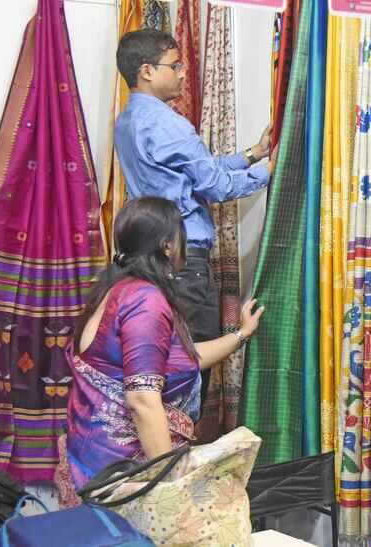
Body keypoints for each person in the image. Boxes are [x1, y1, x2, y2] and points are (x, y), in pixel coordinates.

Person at [54, 198, 265, 506]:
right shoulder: (145, 301)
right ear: (168, 245)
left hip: (94, 462)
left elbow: (183, 360)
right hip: (125, 475)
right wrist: (168, 488)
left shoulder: (117, 290)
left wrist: (240, 335)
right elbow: (142, 400)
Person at [113, 29, 274, 401]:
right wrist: (267, 171)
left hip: (152, 256)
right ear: (147, 71)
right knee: (186, 365)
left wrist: (252, 154)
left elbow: (196, 171)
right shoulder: (167, 124)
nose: (183, 73)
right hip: (183, 261)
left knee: (158, 355)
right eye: (175, 65)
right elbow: (214, 186)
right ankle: (175, 449)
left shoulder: (129, 121)